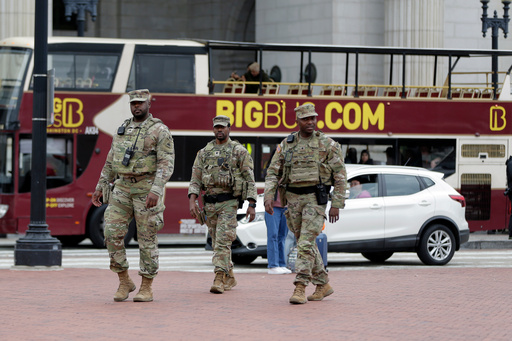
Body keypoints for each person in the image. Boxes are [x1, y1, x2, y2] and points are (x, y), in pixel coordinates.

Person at [91, 89, 175, 303]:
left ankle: (146, 286)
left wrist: (156, 189)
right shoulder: (122, 129)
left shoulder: (159, 130)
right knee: (110, 232)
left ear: (148, 103)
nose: (136, 106)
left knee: (147, 238)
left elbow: (166, 163)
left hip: (146, 188)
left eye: (140, 103)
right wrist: (101, 185)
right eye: (133, 103)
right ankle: (124, 280)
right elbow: (111, 160)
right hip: (122, 187)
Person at [264, 103, 347, 304]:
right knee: (306, 243)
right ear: (297, 121)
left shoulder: (327, 144)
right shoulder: (286, 144)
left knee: (305, 242)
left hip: (314, 199)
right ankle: (323, 283)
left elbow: (340, 175)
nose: (310, 122)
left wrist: (336, 203)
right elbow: (273, 172)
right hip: (292, 200)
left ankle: (300, 286)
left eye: (313, 118)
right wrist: (268, 195)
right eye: (306, 119)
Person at [188, 115, 257, 294]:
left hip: (229, 203)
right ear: (213, 129)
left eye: (223, 127)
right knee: (217, 241)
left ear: (229, 128)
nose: (220, 130)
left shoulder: (239, 151)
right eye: (217, 127)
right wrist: (192, 200)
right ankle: (230, 276)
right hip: (209, 205)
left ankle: (219, 277)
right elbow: (195, 178)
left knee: (223, 243)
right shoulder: (204, 152)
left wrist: (252, 203)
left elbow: (249, 178)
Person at [265, 188, 292, 275]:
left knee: (283, 236)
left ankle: (281, 264)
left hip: (286, 207)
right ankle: (273, 265)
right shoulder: (273, 174)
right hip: (273, 206)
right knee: (273, 235)